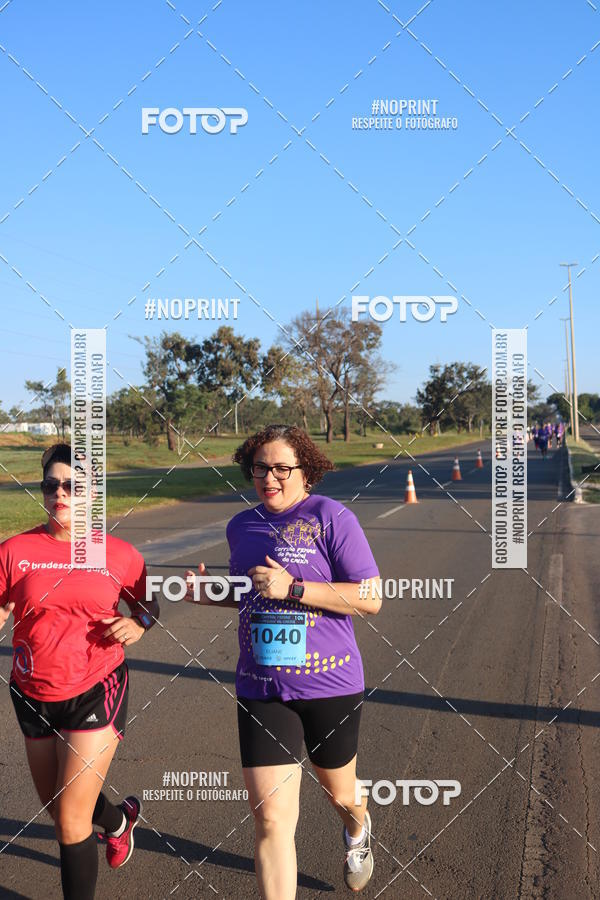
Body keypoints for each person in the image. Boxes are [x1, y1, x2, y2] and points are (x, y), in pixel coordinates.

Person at [185, 424, 381, 898]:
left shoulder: (331, 518)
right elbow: (249, 595)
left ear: (305, 472)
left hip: (329, 685)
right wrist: (211, 594)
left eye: (280, 468)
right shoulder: (241, 525)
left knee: (342, 794)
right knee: (271, 819)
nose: (268, 478)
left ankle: (358, 828)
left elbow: (371, 598)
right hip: (261, 688)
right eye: (260, 468)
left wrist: (293, 587)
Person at [0, 443, 159, 900]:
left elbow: (149, 604)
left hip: (96, 686)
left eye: (73, 485)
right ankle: (119, 819)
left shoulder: (119, 554)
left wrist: (137, 624)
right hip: (31, 689)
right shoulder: (14, 551)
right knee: (56, 806)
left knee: (70, 819)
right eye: (51, 485)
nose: (61, 494)